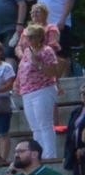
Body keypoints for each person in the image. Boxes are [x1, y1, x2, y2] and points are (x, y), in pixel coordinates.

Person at [16, 24, 63, 159]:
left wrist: (39, 63)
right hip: (27, 92)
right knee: (35, 127)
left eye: (31, 37)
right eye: (26, 37)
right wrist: (17, 83)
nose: (27, 40)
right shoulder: (27, 51)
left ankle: (50, 156)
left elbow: (53, 72)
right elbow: (21, 69)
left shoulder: (47, 51)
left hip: (43, 89)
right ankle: (39, 155)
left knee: (45, 124)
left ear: (39, 38)